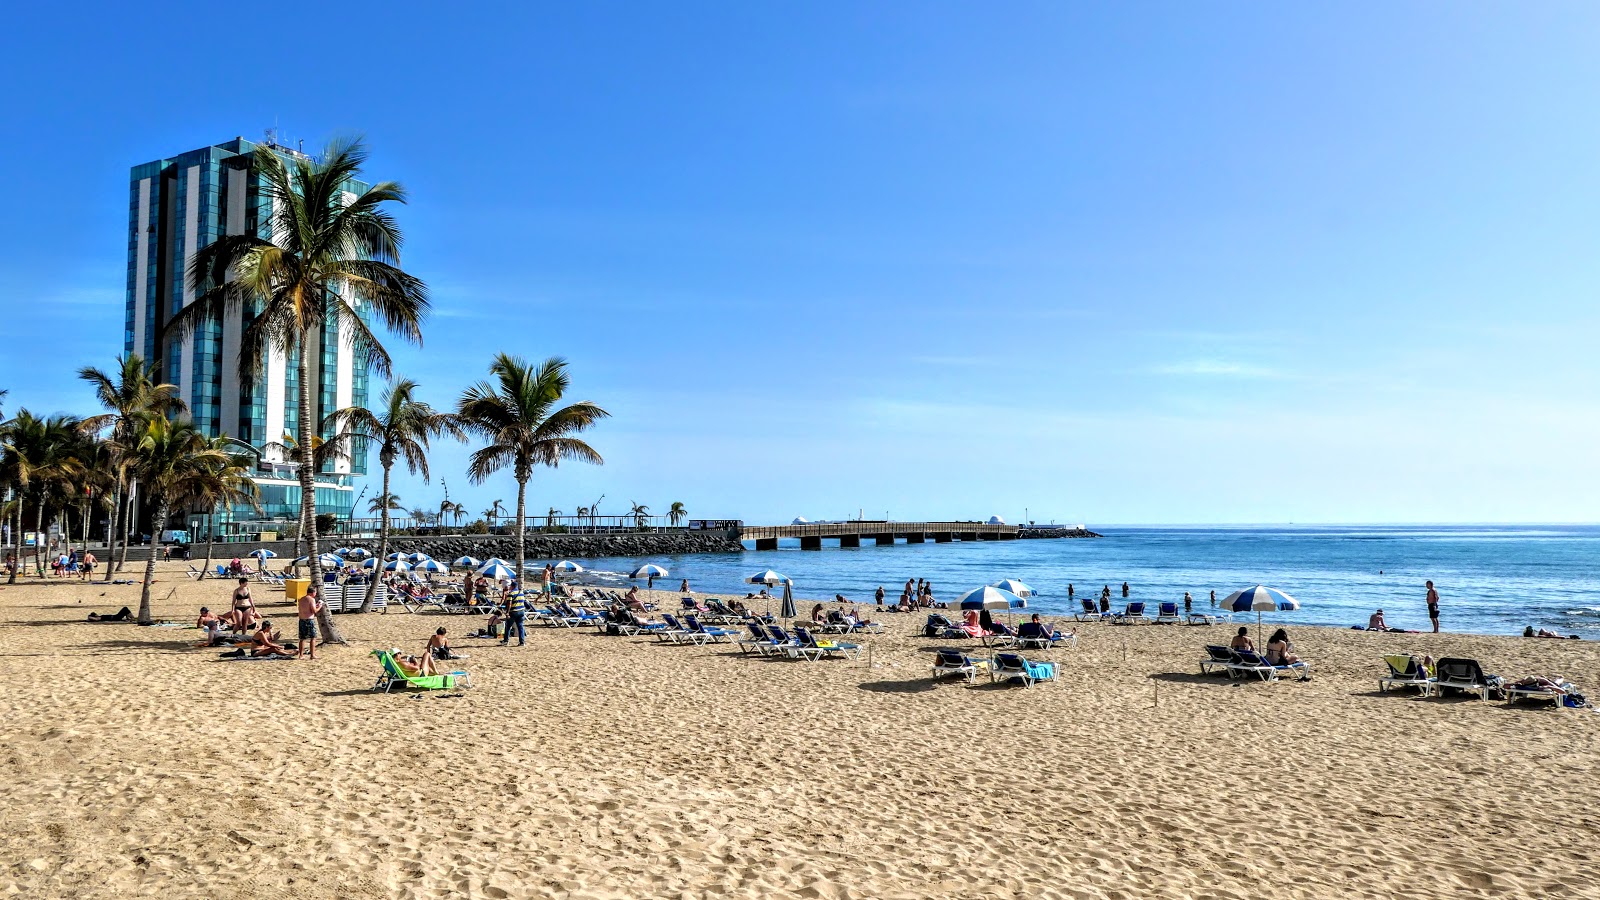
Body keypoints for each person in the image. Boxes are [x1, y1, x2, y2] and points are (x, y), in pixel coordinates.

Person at [297, 586, 324, 659]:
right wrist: (320, 606)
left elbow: (307, 608)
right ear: (313, 592)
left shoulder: (301, 599)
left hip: (301, 620)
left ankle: (301, 655)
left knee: (302, 638)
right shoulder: (311, 599)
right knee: (313, 637)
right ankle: (312, 655)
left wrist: (316, 606)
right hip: (309, 620)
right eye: (315, 592)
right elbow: (314, 611)